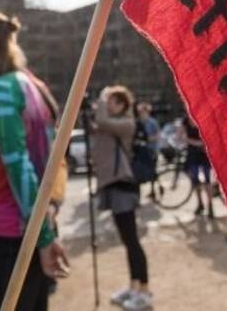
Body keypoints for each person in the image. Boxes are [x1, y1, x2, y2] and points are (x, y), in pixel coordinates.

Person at [0, 11, 68, 311]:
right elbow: (57, 159)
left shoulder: (1, 90)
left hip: (13, 237)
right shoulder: (34, 85)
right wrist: (49, 219)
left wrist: (44, 237)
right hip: (34, 226)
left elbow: (18, 163)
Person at [92, 86, 151, 310]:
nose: (109, 105)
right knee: (128, 241)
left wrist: (101, 97)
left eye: (114, 102)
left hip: (124, 186)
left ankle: (144, 290)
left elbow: (103, 122)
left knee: (132, 240)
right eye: (109, 101)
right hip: (113, 186)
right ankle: (134, 285)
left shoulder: (126, 123)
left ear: (124, 105)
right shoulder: (110, 125)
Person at [183, 114, 213, 217]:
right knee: (195, 180)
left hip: (203, 154)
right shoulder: (185, 121)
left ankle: (210, 206)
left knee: (207, 180)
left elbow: (204, 141)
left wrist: (189, 140)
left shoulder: (201, 117)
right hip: (192, 155)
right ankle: (200, 203)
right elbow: (180, 135)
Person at [134, 102, 159, 199]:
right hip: (141, 151)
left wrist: (148, 139)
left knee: (152, 171)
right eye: (140, 112)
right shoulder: (138, 122)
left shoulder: (152, 122)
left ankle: (153, 191)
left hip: (151, 149)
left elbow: (157, 135)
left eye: (143, 111)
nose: (142, 113)